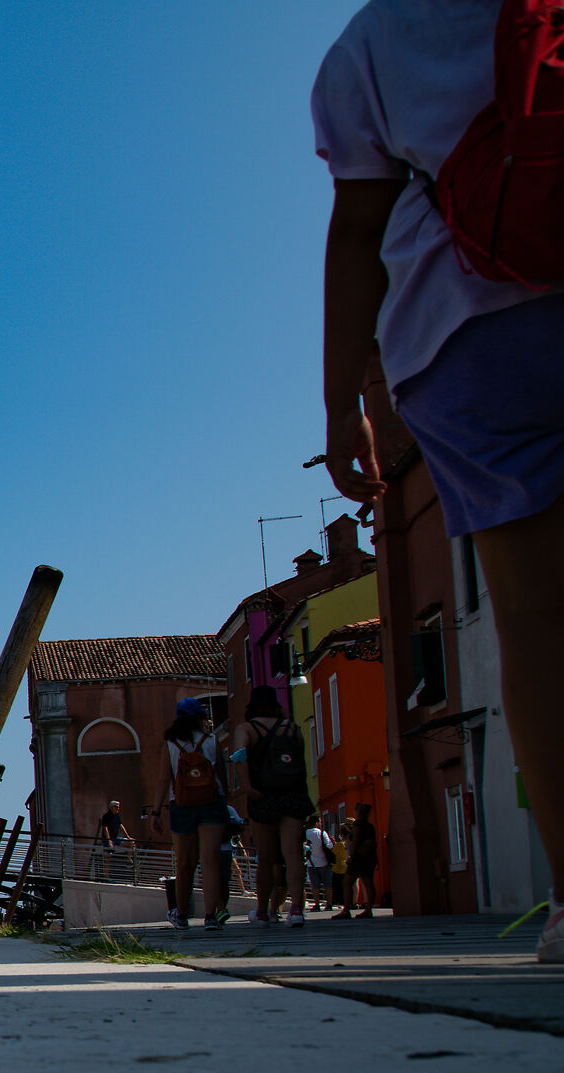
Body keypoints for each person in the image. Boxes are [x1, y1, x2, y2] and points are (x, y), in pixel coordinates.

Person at [315, 2, 564, 960]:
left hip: (463, 336)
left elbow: (357, 232)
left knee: (535, 623)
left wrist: (344, 402)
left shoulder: (375, 43)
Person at [232, 687, 315, 926]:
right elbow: (300, 760)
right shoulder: (292, 728)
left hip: (263, 795)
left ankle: (261, 911)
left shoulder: (247, 729)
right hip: (292, 794)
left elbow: (239, 755)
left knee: (266, 857)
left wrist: (247, 787)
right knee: (293, 853)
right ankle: (296, 909)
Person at [159, 698, 233, 929]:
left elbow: (163, 779)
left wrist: (155, 811)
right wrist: (226, 800)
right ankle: (210, 916)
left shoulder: (171, 744)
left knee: (185, 864)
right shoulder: (211, 741)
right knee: (210, 861)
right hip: (212, 802)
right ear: (199, 718)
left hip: (181, 804)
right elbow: (221, 775)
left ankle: (181, 915)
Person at [346, 803, 381, 917]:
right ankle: (369, 909)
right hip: (369, 858)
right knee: (368, 883)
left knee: (347, 882)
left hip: (358, 858)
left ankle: (346, 910)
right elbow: (374, 844)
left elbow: (355, 842)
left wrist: (351, 856)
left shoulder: (358, 825)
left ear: (357, 812)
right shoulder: (370, 827)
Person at [95, 800, 130, 881]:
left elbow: (121, 826)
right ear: (111, 807)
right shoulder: (106, 816)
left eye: (118, 807)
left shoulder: (117, 815)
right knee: (108, 857)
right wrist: (109, 841)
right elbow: (105, 829)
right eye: (116, 807)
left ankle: (129, 861)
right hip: (108, 839)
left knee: (131, 843)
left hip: (116, 838)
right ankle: (106, 876)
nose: (118, 809)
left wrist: (128, 836)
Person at [305, 818, 335, 910]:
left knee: (314, 885)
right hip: (324, 862)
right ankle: (329, 904)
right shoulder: (322, 833)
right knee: (328, 885)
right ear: (317, 823)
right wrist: (332, 841)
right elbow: (329, 845)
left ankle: (317, 904)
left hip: (311, 863)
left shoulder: (305, 833)